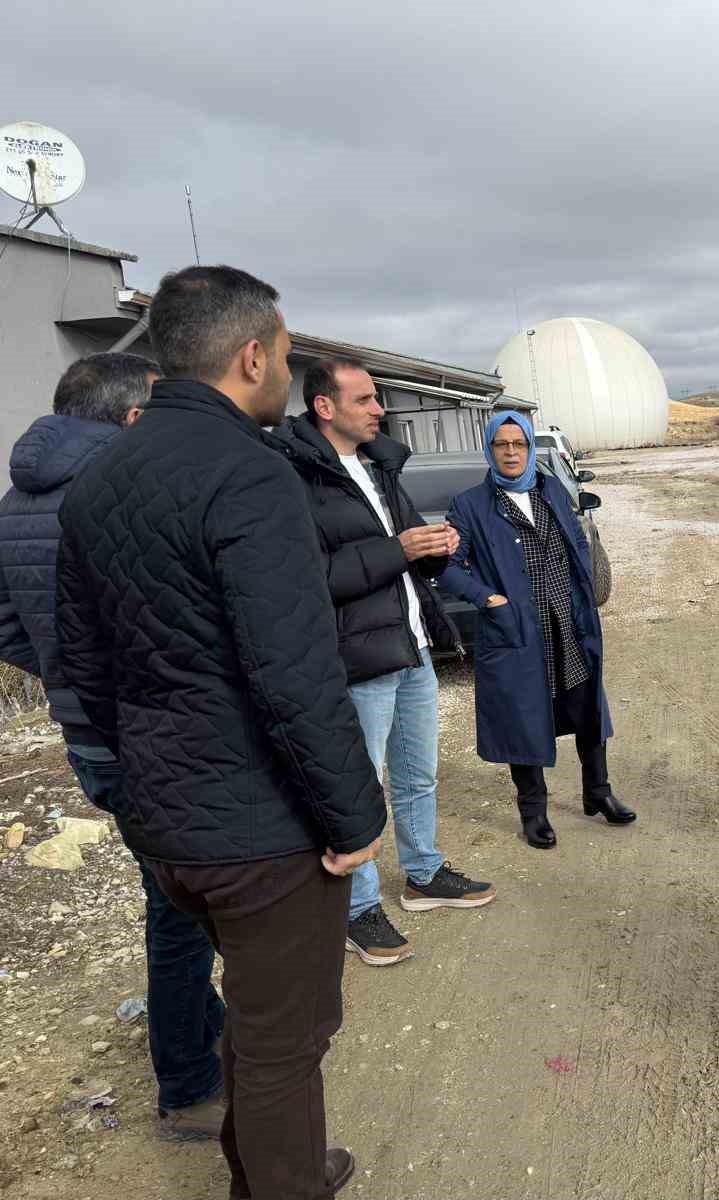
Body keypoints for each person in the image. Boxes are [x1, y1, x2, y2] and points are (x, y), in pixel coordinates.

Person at [56, 265, 386, 1200]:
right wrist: (352, 819)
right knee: (286, 1040)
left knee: (256, 1018)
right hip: (261, 830)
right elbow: (295, 675)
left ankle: (272, 1164)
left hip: (167, 822)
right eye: (284, 354)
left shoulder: (100, 478)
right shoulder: (251, 475)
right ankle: (282, 1181)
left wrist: (133, 790)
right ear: (252, 357)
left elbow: (82, 669)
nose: (285, 370)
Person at [0, 354, 227, 1141]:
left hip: (88, 742)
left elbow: (6, 625)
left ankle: (205, 1027)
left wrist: (62, 675)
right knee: (178, 915)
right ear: (133, 419)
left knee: (170, 895)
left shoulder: (12, 500)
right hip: (152, 738)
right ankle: (190, 1087)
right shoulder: (124, 493)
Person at [281, 357, 495, 968]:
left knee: (418, 773)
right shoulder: (298, 479)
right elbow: (308, 579)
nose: (380, 409)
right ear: (325, 407)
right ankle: (356, 909)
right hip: (358, 656)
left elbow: (405, 555)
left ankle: (423, 873)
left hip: (413, 643)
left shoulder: (379, 464)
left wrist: (432, 550)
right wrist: (396, 549)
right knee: (361, 783)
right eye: (367, 399)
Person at [437, 410, 634, 847]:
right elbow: (446, 568)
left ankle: (598, 793)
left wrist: (581, 583)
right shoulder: (470, 505)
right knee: (522, 717)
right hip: (517, 630)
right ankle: (533, 811)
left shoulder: (550, 490)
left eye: (519, 444)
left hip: (569, 622)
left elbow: (578, 541)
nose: (511, 452)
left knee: (587, 709)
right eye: (501, 445)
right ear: (490, 450)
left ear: (529, 448)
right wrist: (490, 599)